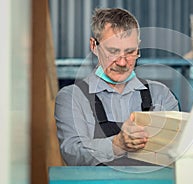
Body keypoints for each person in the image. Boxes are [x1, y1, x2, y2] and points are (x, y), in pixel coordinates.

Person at [55, 8, 179, 166]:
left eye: (130, 52)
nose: (122, 62)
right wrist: (118, 144)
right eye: (113, 52)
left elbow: (177, 150)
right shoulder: (72, 98)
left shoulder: (160, 95)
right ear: (94, 46)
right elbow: (73, 153)